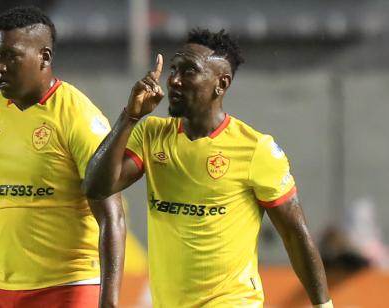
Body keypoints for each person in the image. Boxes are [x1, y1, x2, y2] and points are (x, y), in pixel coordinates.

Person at [83, 28, 332, 307]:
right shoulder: (152, 134)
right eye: (174, 69)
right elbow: (96, 186)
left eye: (189, 72)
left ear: (221, 84)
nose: (174, 80)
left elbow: (294, 232)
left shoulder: (255, 148)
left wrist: (323, 305)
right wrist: (129, 117)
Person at [0, 6, 125, 308]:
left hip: (68, 288)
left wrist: (108, 303)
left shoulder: (79, 117)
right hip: (1, 290)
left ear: (44, 57)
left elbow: (112, 217)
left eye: (11, 56)